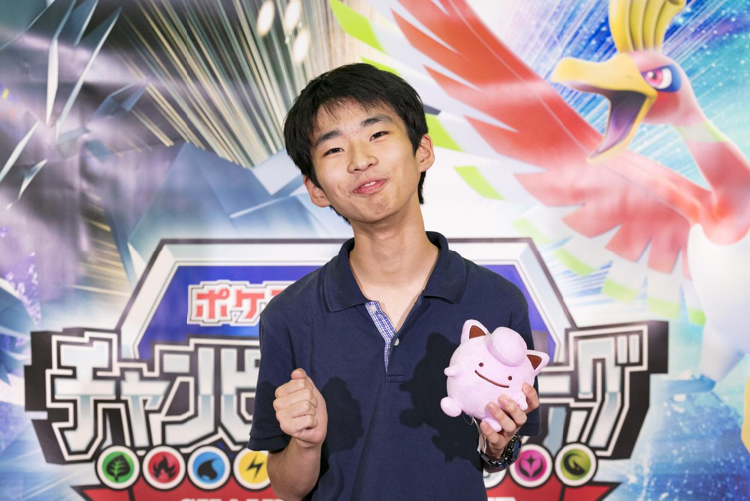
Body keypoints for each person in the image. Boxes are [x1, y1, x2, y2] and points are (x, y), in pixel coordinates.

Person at [247, 63, 541, 501]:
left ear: (423, 151)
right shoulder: (289, 315)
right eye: (333, 149)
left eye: (378, 134)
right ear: (316, 189)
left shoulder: (497, 301)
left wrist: (498, 445)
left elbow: (497, 453)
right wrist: (305, 444)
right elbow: (288, 489)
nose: (360, 160)